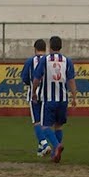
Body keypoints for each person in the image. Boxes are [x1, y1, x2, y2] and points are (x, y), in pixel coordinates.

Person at [36, 35, 76, 163]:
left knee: (45, 126)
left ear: (50, 46)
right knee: (58, 126)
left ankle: (56, 145)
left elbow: (37, 77)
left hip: (49, 99)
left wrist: (34, 92)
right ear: (61, 47)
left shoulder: (45, 60)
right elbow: (71, 80)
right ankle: (55, 154)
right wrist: (74, 96)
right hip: (63, 99)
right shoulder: (67, 61)